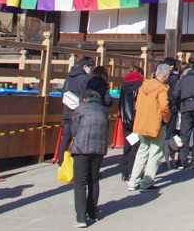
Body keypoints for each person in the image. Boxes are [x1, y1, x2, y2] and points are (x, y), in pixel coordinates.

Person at [128, 63, 172, 191]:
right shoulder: (162, 88)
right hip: (156, 123)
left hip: (143, 122)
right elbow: (164, 106)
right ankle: (147, 182)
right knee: (155, 152)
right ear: (167, 76)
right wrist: (166, 118)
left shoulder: (144, 85)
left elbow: (137, 104)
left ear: (156, 73)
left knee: (142, 151)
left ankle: (133, 181)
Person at [71, 89, 109, 227]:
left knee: (80, 183)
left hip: (81, 149)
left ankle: (81, 218)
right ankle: (92, 213)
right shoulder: (104, 110)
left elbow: (74, 131)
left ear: (83, 99)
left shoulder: (80, 109)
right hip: (98, 150)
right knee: (93, 181)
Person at [57, 55, 94, 162]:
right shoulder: (85, 78)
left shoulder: (69, 77)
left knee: (66, 138)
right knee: (79, 139)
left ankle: (62, 163)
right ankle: (77, 163)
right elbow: (86, 95)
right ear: (86, 66)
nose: (90, 70)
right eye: (90, 67)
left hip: (67, 112)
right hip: (79, 113)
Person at [118, 65, 143, 182]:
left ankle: (125, 172)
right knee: (136, 146)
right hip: (137, 119)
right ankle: (133, 171)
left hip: (125, 119)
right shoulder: (140, 86)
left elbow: (120, 103)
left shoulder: (123, 86)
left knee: (127, 146)